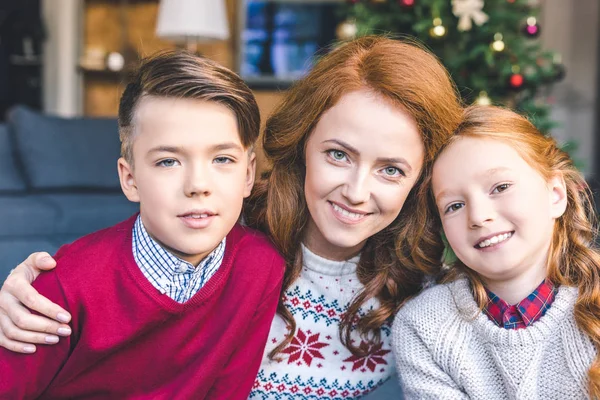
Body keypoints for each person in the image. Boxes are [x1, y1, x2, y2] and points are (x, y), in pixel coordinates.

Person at [0, 36, 463, 399]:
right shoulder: (235, 232)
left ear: (420, 180)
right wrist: (18, 298)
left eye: (391, 169)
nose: (357, 192)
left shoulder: (427, 298)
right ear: (303, 144)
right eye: (338, 155)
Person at [0, 50, 285, 399]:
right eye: (168, 161)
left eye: (222, 159)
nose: (198, 184)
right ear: (130, 179)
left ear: (249, 174)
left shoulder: (261, 266)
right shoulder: (61, 287)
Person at [392, 105, 600, 399]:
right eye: (454, 206)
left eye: (500, 187)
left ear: (555, 195)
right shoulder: (424, 327)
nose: (478, 216)